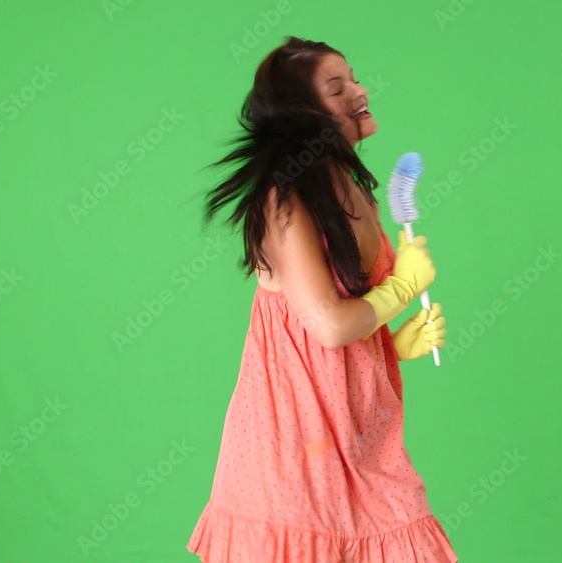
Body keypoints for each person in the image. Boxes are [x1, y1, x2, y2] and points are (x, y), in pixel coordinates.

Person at [186, 36, 457, 562]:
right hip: (295, 444)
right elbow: (329, 326)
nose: (360, 90)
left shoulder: (352, 189)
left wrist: (389, 346)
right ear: (300, 115)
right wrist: (401, 288)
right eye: (337, 88)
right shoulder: (285, 202)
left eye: (353, 78)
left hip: (359, 434)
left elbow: (332, 333)